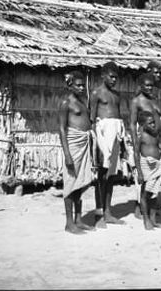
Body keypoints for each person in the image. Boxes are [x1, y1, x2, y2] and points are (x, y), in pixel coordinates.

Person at [59, 70, 96, 234]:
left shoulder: (82, 102)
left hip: (84, 144)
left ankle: (78, 219)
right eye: (78, 85)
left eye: (83, 85)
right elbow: (61, 129)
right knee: (70, 183)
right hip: (73, 145)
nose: (81, 88)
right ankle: (69, 223)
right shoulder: (65, 103)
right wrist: (67, 154)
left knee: (81, 182)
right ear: (70, 85)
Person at [90, 62, 126, 227]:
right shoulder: (96, 93)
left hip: (116, 132)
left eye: (116, 77)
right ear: (103, 75)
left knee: (111, 175)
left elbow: (119, 117)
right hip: (102, 133)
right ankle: (98, 215)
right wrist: (96, 142)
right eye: (111, 76)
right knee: (101, 174)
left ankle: (108, 212)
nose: (114, 80)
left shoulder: (117, 95)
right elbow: (91, 119)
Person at [129, 72, 161, 218]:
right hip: (144, 141)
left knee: (154, 178)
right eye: (147, 85)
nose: (150, 88)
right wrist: (134, 141)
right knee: (142, 176)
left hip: (156, 140)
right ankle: (140, 210)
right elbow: (131, 124)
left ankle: (149, 209)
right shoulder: (137, 101)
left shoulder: (154, 99)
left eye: (152, 85)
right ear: (141, 86)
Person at [135, 110, 161, 230]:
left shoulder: (156, 134)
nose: (153, 125)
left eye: (154, 123)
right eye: (150, 123)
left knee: (154, 193)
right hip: (146, 166)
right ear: (142, 125)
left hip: (156, 166)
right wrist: (139, 172)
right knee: (145, 194)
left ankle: (153, 220)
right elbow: (136, 154)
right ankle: (146, 220)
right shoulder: (140, 137)